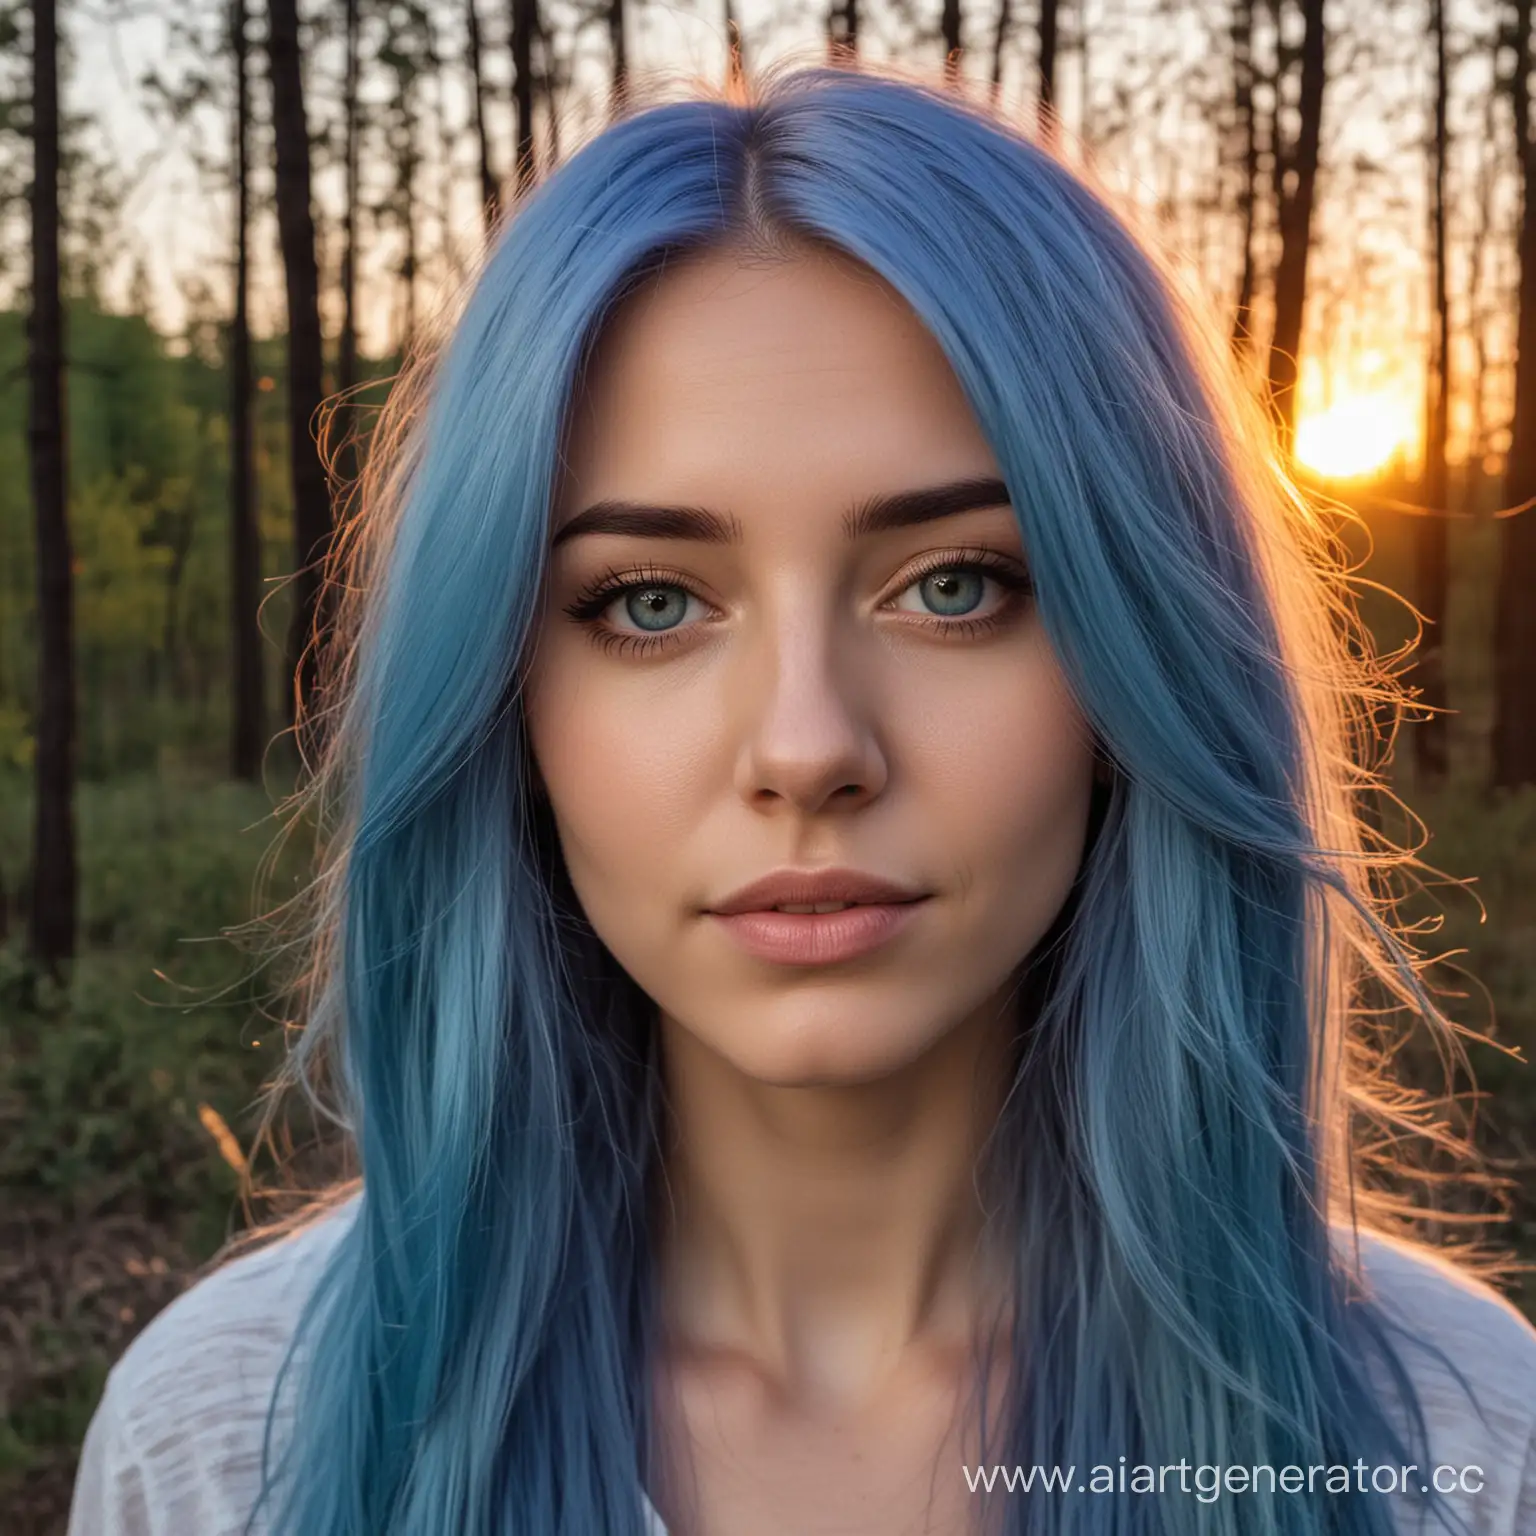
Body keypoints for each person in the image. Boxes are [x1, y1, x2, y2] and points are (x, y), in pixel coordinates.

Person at [69, 57, 1536, 1536]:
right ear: (507, 703)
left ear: (1132, 665)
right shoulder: (229, 1445)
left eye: (954, 585)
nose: (807, 746)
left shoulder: (1462, 1450)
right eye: (648, 604)